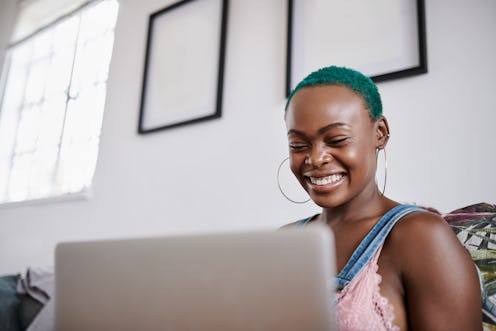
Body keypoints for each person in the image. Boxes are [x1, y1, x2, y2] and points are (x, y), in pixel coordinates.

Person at [281, 66, 482, 330]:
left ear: (380, 133)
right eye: (298, 145)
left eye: (337, 139)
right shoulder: (284, 241)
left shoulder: (420, 236)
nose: (315, 158)